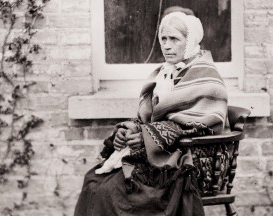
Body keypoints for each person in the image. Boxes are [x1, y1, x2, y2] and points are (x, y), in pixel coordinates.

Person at [74, 10, 228, 216]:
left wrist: (146, 137)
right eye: (163, 38)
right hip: (157, 153)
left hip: (186, 160)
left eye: (174, 39)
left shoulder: (206, 75)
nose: (166, 45)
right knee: (93, 181)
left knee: (109, 192)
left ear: (190, 41)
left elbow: (204, 123)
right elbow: (147, 118)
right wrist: (128, 132)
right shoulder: (162, 74)